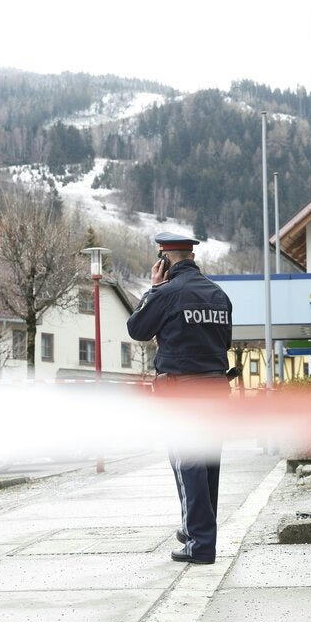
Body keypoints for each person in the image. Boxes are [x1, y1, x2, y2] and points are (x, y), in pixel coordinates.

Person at [127, 232, 233, 565]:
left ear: (164, 260)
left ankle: (200, 543)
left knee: (187, 464)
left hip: (182, 390)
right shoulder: (219, 295)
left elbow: (137, 328)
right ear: (192, 257)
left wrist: (154, 290)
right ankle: (196, 530)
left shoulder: (168, 292)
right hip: (217, 388)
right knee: (207, 464)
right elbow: (222, 340)